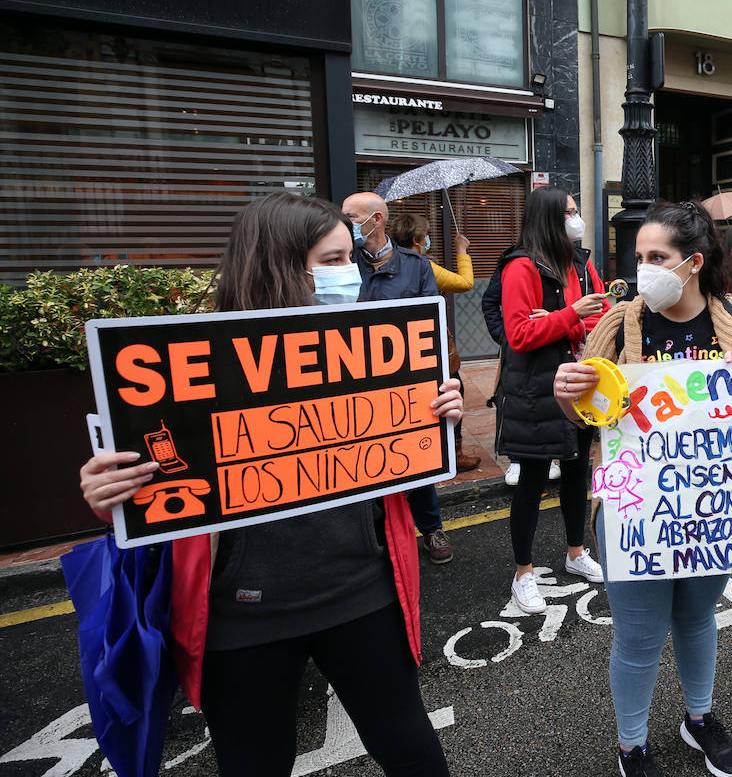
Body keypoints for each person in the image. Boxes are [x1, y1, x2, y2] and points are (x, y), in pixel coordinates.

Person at [79, 193, 462, 777]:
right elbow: (158, 492)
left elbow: (400, 460)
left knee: (412, 748)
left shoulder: (372, 347)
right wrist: (112, 493)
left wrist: (434, 415)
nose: (350, 274)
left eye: (349, 258)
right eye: (332, 260)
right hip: (242, 618)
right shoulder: (182, 361)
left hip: (364, 590)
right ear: (282, 266)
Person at [553, 200, 732, 777]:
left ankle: (698, 719)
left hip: (715, 507)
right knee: (641, 634)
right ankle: (632, 745)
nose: (642, 267)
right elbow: (584, 417)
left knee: (699, 618)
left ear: (693, 263)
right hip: (634, 510)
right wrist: (566, 392)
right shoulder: (620, 323)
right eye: (639, 255)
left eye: (657, 257)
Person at [494, 186, 608, 614]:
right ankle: (523, 572)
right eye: (570, 213)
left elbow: (601, 317)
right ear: (548, 219)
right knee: (533, 480)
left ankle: (576, 552)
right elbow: (520, 335)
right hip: (536, 390)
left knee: (580, 470)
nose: (577, 220)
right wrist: (571, 315)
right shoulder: (522, 267)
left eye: (577, 211)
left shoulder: (580, 262)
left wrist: (564, 320)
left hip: (580, 384)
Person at [342, 193, 453, 565]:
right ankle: (372, 536)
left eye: (350, 218)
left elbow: (428, 324)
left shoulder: (416, 265)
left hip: (405, 382)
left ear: (375, 220)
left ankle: (432, 529)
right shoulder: (343, 264)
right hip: (354, 379)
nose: (344, 225)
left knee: (416, 459)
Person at [391, 213, 483, 475]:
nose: (429, 238)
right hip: (429, 343)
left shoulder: (388, 265)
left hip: (399, 346)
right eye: (427, 234)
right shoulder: (421, 266)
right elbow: (465, 283)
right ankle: (454, 452)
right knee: (452, 392)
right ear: (417, 240)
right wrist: (461, 251)